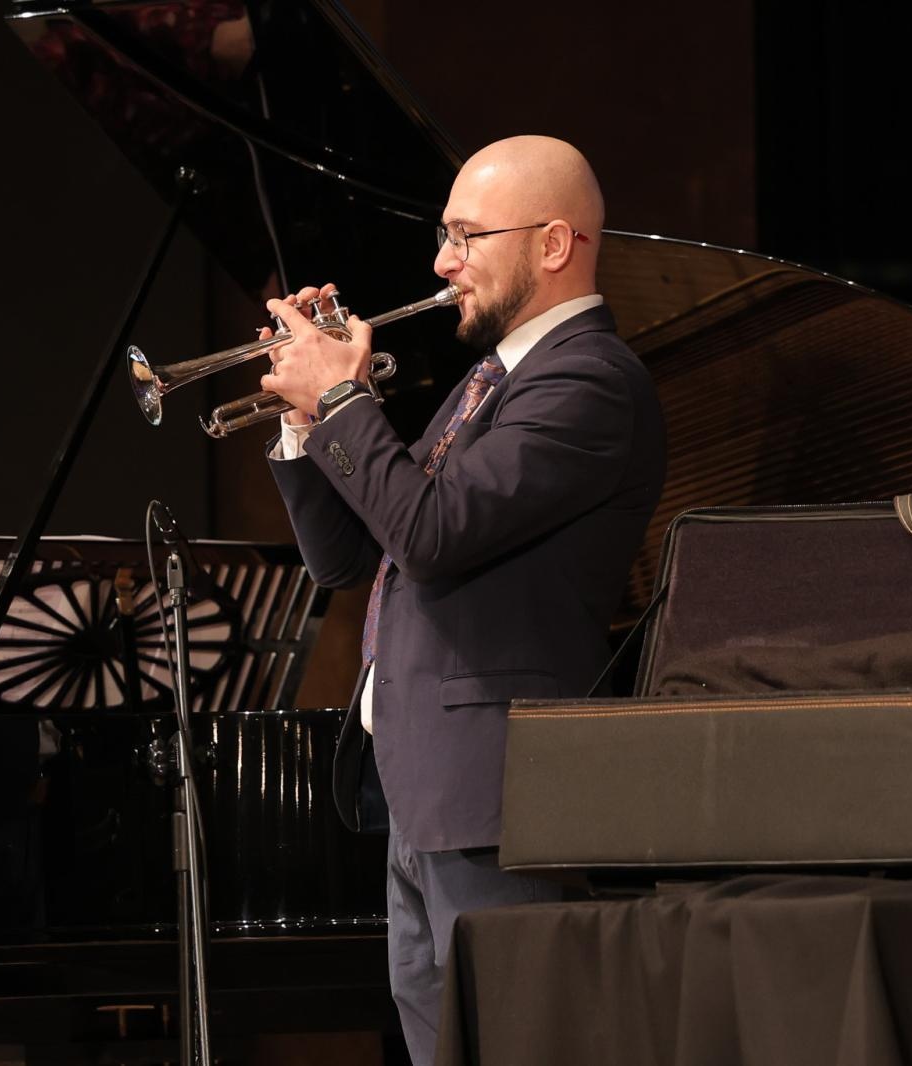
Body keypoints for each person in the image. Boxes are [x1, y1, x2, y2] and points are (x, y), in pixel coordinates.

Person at [257, 136, 667, 1064]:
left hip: (499, 794)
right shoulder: (494, 381)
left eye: (466, 236)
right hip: (422, 788)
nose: (443, 263)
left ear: (555, 242)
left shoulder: (587, 381)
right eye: (444, 236)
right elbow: (344, 560)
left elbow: (434, 536)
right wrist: (303, 417)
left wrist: (345, 401)